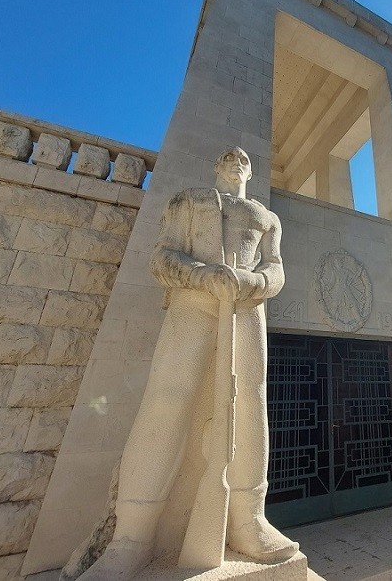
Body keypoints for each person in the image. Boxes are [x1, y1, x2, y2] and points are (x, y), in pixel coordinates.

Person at [79, 147, 298, 579]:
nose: (235, 160)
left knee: (251, 408)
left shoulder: (265, 217)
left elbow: (276, 269)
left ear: (251, 171)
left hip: (246, 308)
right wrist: (202, 276)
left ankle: (248, 520)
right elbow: (164, 257)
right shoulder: (189, 200)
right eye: (228, 158)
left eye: (242, 159)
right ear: (216, 166)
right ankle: (133, 536)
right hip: (193, 304)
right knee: (167, 401)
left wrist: (252, 281)